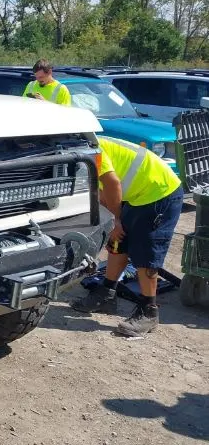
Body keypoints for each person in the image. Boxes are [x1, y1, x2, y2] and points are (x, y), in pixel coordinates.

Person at [72, 136, 184, 337]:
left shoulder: (90, 149)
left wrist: (115, 220)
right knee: (118, 242)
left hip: (159, 192)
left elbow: (112, 183)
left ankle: (149, 311)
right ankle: (106, 293)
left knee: (146, 253)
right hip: (137, 193)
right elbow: (101, 189)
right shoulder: (79, 144)